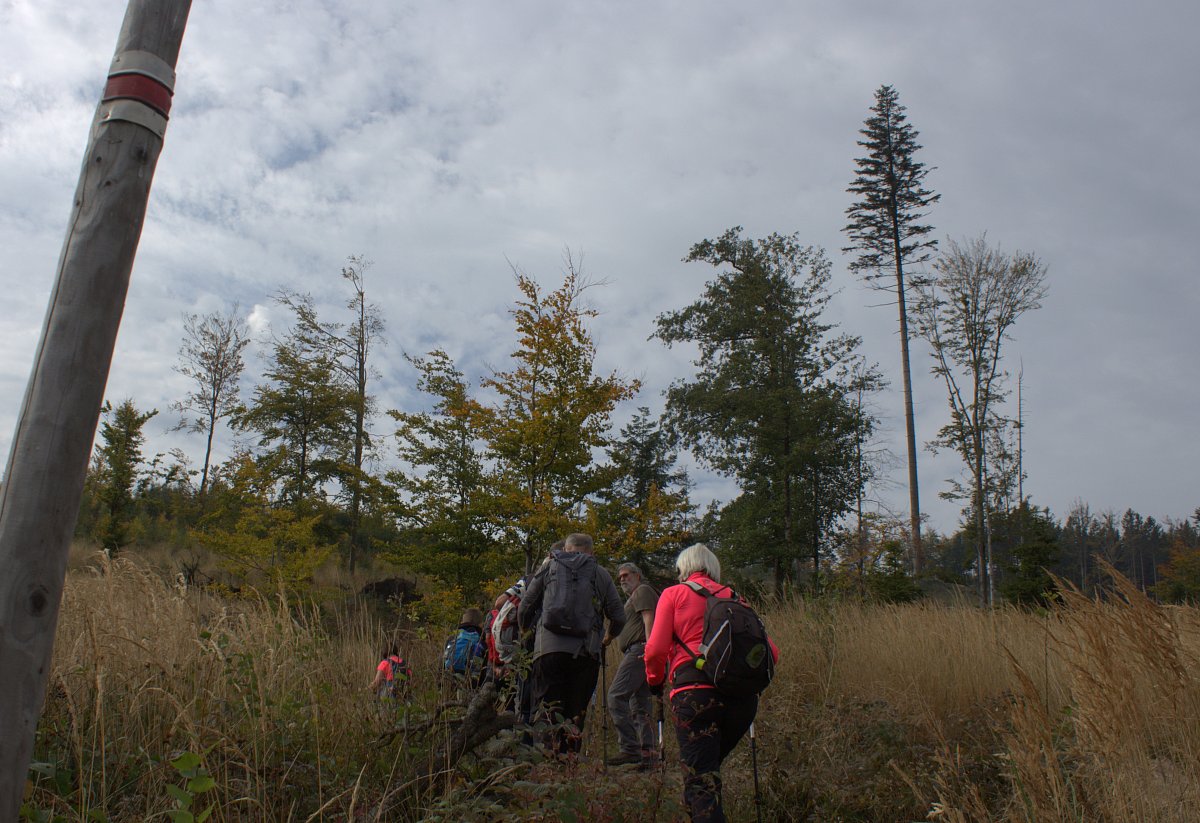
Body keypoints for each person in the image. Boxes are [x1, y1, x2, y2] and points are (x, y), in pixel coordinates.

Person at [644, 544, 779, 823]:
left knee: (701, 781)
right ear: (714, 568)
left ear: (683, 568)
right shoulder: (736, 599)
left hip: (695, 697)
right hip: (741, 701)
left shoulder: (673, 594)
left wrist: (654, 683)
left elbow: (655, 650)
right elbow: (772, 653)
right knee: (705, 772)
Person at [518, 533, 625, 755]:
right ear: (591, 552)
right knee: (575, 714)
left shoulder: (549, 567)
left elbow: (525, 606)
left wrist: (527, 631)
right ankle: (569, 764)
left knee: (546, 711)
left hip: (548, 651)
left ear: (565, 549)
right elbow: (618, 616)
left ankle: (546, 763)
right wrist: (607, 638)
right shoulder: (600, 573)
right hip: (585, 653)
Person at [604, 562, 658, 768]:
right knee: (640, 706)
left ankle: (629, 748)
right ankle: (648, 755)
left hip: (640, 650)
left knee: (616, 696)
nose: (623, 579)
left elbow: (649, 619)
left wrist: (651, 650)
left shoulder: (642, 591)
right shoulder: (633, 597)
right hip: (638, 651)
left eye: (626, 575)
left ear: (637, 575)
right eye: (620, 577)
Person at [443, 608, 487, 688]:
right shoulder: (482, 643)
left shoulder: (452, 639)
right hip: (470, 684)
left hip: (448, 679)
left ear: (463, 622)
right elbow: (483, 671)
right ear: (481, 624)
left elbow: (443, 663)